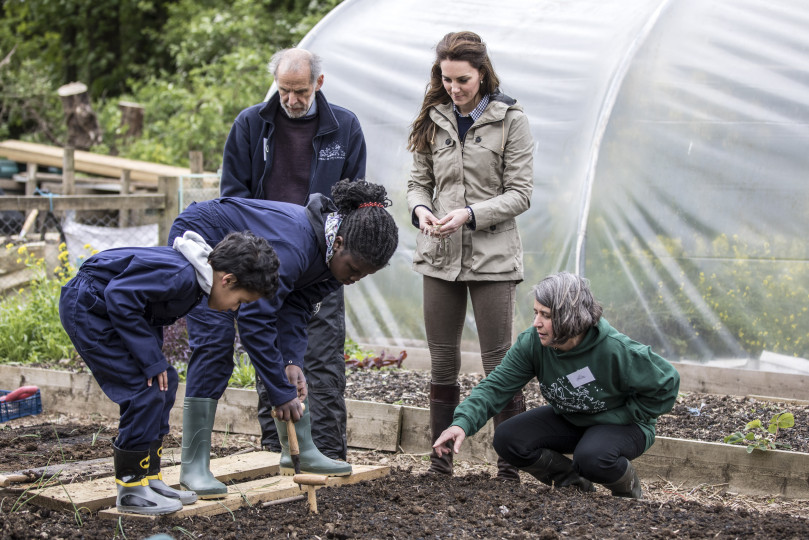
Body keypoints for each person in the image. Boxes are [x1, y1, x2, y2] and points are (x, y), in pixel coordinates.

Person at [171, 179, 398, 498]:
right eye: (355, 269)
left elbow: (296, 304)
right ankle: (193, 466)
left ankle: (299, 452)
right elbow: (255, 319)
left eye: (364, 275)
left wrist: (290, 361)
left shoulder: (330, 262)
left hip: (243, 256)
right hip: (205, 238)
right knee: (215, 345)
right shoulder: (296, 246)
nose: (355, 279)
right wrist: (279, 393)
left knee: (287, 372)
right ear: (340, 243)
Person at [59, 231, 279, 515]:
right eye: (239, 301)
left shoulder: (195, 281)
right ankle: (130, 488)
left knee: (165, 382)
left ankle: (149, 476)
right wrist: (151, 361)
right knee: (144, 390)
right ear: (228, 280)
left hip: (105, 308)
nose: (235, 308)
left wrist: (155, 362)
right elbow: (119, 296)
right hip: (89, 307)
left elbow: (145, 309)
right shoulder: (182, 276)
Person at [220, 47, 366, 463]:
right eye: (284, 91)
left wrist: (338, 256)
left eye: (300, 91)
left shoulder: (344, 127)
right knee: (269, 352)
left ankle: (326, 455)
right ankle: (276, 454)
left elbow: (355, 202)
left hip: (319, 266)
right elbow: (233, 199)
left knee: (321, 362)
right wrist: (248, 258)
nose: (292, 100)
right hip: (263, 266)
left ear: (318, 84)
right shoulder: (250, 125)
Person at [406, 31, 534, 480]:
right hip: (439, 254)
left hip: (493, 259)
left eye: (462, 79)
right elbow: (418, 182)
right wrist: (422, 209)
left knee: (499, 362)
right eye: (446, 79)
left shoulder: (510, 119)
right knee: (443, 362)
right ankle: (441, 465)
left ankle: (509, 466)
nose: (454, 89)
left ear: (482, 73)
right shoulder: (433, 118)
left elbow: (520, 194)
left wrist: (469, 214)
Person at [433, 272, 681, 498]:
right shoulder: (533, 343)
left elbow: (667, 382)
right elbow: (496, 386)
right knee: (508, 438)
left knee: (592, 457)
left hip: (624, 426)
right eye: (535, 313)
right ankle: (575, 483)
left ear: (570, 317)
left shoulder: (616, 350)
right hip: (573, 418)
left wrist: (627, 414)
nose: (536, 323)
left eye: (546, 315)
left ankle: (628, 492)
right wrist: (461, 423)